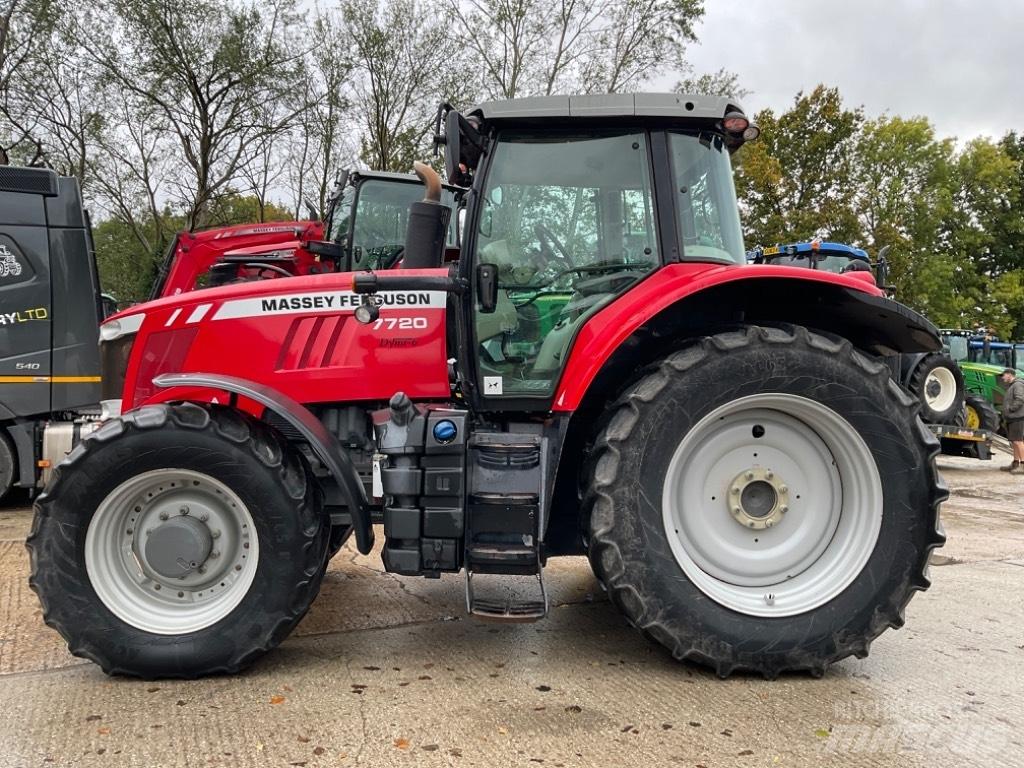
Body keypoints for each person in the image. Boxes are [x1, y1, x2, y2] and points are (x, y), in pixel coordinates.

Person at [998, 368, 1024, 474]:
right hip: (1012, 417)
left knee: (1018, 441)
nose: (1002, 377)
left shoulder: (1017, 385)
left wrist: (1010, 409)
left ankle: (1022, 465)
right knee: (1014, 441)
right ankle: (1015, 463)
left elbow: (1020, 399)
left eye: (1003, 375)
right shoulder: (1012, 385)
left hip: (1017, 417)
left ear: (1009, 374)